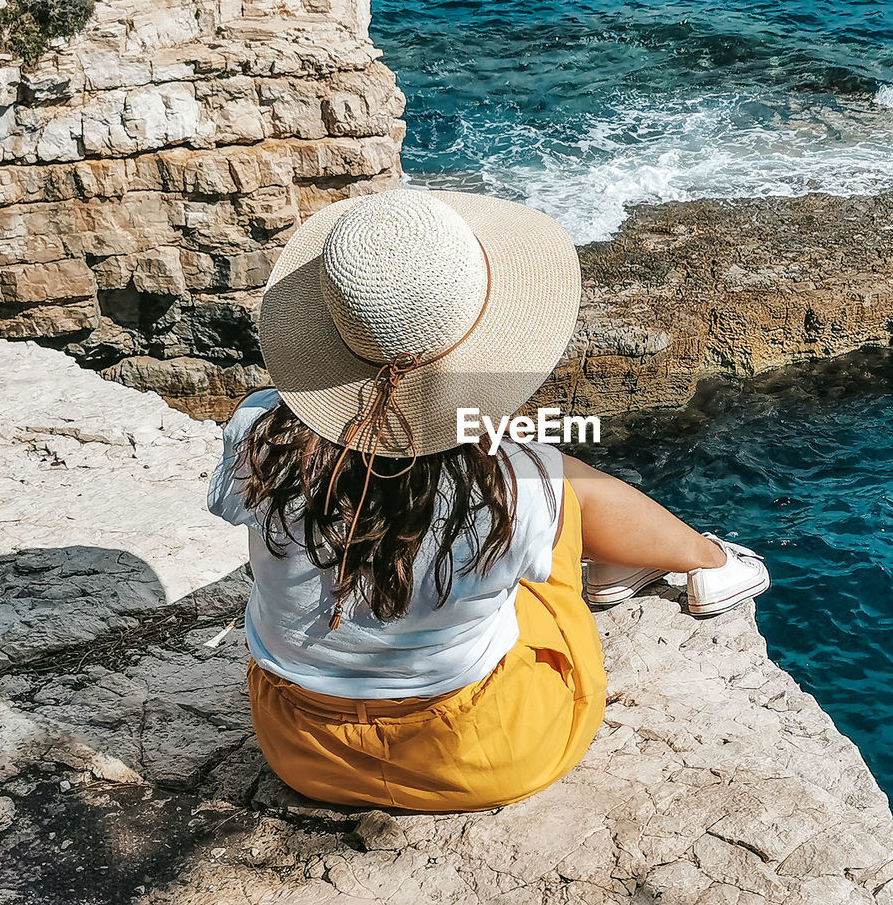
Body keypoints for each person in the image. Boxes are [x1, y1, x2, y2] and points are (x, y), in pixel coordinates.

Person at [206, 188, 770, 811]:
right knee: (557, 486)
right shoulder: (509, 477)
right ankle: (703, 562)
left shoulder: (257, 430)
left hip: (300, 747)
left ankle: (677, 560)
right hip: (480, 755)